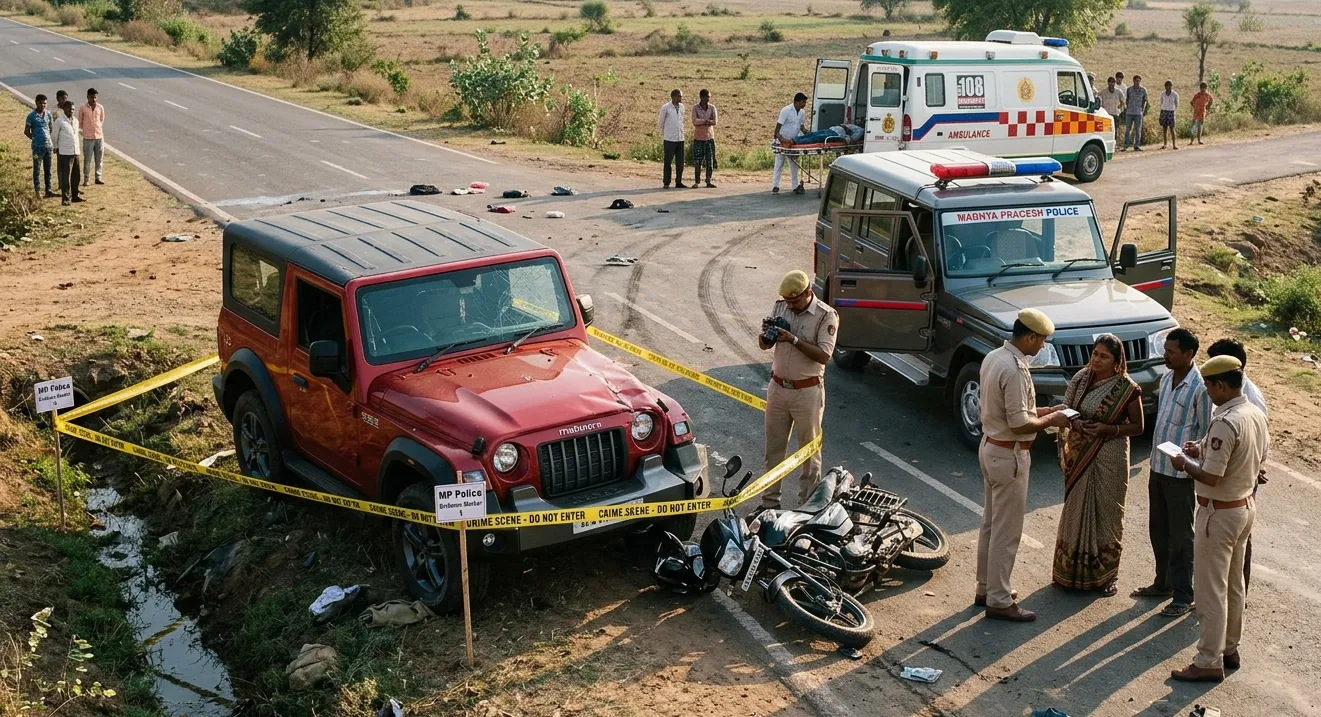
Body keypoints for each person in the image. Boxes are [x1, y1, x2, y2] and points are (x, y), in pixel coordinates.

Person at [1170, 354, 1270, 682]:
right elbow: (1253, 457)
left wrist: (1185, 463)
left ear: (1222, 386)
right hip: (1243, 507)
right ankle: (1229, 648)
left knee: (1210, 590)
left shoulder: (1225, 422)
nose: (1208, 394)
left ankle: (1208, 660)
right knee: (1234, 585)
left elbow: (1211, 476)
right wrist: (1200, 449)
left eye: (1210, 387)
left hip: (1219, 513)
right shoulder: (1254, 413)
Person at [975, 309, 1071, 621]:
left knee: (991, 524)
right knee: (1007, 531)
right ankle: (999, 599)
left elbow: (1012, 411)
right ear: (1029, 337)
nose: (1042, 346)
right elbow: (1019, 424)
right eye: (1041, 340)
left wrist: (1047, 411)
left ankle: (986, 587)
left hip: (990, 446)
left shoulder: (995, 357)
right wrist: (1053, 420)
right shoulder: (1015, 369)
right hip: (1009, 454)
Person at [1053, 334, 1144, 596]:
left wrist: (1109, 429)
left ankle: (1106, 576)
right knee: (1076, 508)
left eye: (1104, 356)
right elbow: (1067, 409)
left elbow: (1138, 426)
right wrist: (1076, 422)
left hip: (1111, 455)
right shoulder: (1081, 378)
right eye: (1095, 354)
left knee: (1108, 514)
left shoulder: (1126, 388)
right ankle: (1068, 574)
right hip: (1080, 453)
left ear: (1117, 361)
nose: (1096, 360)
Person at [1133, 328, 1210, 618]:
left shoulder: (1200, 388)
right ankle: (1162, 583)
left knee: (1181, 537)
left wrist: (1194, 452)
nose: (1166, 356)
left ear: (1189, 355)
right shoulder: (1166, 379)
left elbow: (1207, 433)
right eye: (1165, 350)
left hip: (1180, 475)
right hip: (1158, 468)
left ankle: (1183, 595)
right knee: (1158, 530)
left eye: (1172, 352)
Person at [758, 270, 838, 510]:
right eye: (787, 301)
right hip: (778, 388)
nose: (790, 306)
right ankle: (769, 503)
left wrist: (792, 339)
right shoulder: (780, 306)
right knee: (773, 450)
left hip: (807, 392)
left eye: (794, 301)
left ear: (808, 293)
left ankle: (807, 507)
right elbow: (764, 346)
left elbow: (824, 356)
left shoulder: (826, 316)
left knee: (808, 454)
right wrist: (767, 334)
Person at [1207, 338, 1268, 592]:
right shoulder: (1226, 395)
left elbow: (1261, 439)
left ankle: (1235, 593)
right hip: (1224, 474)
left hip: (1236, 481)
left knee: (1237, 537)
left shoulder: (1250, 398)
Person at [772, 92, 808, 195]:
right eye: (803, 102)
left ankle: (795, 186)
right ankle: (775, 185)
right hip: (782, 142)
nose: (804, 104)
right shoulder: (786, 110)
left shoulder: (802, 113)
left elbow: (801, 126)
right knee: (779, 164)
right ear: (797, 102)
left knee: (794, 166)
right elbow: (777, 129)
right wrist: (782, 139)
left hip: (793, 142)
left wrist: (807, 133)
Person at [24, 93, 55, 199]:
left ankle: (48, 190)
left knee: (48, 169)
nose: (43, 105)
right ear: (36, 103)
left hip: (48, 147)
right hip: (37, 149)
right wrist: (36, 139)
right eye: (41, 103)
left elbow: (50, 128)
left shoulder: (48, 114)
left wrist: (46, 139)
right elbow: (26, 131)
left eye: (45, 103)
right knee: (37, 169)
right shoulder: (31, 116)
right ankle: (37, 191)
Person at [51, 101, 83, 206]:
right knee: (66, 176)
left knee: (76, 176)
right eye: (69, 108)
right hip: (65, 152)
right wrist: (55, 147)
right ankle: (65, 198)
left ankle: (75, 196)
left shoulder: (76, 121)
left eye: (73, 109)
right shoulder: (59, 121)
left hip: (75, 151)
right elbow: (54, 136)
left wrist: (77, 150)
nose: (71, 111)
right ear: (64, 109)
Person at [658, 89, 687, 189]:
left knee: (680, 162)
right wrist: (666, 133)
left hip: (680, 138)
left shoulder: (682, 107)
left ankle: (679, 181)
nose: (680, 98)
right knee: (668, 162)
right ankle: (666, 182)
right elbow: (660, 122)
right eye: (679, 96)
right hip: (669, 139)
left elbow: (681, 121)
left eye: (681, 96)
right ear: (673, 97)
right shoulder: (666, 107)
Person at [79, 88, 105, 186]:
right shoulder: (83, 107)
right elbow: (80, 121)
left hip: (99, 136)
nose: (93, 99)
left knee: (99, 159)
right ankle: (86, 179)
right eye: (91, 97)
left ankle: (98, 177)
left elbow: (101, 119)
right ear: (87, 97)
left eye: (95, 97)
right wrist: (84, 131)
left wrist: (97, 128)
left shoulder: (100, 107)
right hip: (88, 138)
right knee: (87, 160)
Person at [691, 89, 717, 188]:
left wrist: (702, 121)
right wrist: (706, 121)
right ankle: (697, 181)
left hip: (709, 137)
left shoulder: (712, 107)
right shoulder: (695, 108)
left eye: (709, 97)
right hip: (698, 138)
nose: (708, 99)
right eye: (707, 97)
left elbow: (715, 121)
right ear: (701, 97)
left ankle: (708, 181)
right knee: (698, 161)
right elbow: (694, 121)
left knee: (709, 161)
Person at [1122, 75, 1148, 152]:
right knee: (1128, 129)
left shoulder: (1143, 90)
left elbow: (1145, 100)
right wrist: (1127, 108)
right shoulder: (1129, 90)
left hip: (1138, 112)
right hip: (1129, 112)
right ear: (1133, 81)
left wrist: (1143, 109)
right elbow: (1127, 99)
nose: (1137, 82)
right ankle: (1126, 145)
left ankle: (1136, 145)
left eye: (1138, 81)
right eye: (1136, 81)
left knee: (1138, 130)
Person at [1159, 80, 1179, 150]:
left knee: (1172, 129)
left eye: (1170, 85)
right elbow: (1161, 102)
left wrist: (1173, 110)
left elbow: (1177, 104)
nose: (1168, 87)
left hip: (1171, 112)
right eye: (1167, 85)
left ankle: (1174, 144)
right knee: (1164, 129)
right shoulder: (1162, 94)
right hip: (1164, 111)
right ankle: (1165, 144)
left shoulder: (1175, 94)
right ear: (1165, 86)